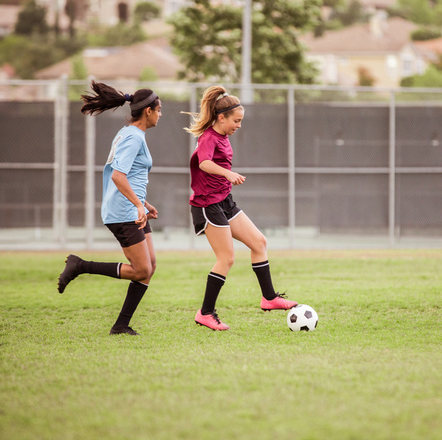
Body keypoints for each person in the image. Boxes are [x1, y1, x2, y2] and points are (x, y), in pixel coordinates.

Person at [183, 86, 297, 331]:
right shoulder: (208, 137)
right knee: (226, 258)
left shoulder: (223, 137)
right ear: (221, 117)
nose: (239, 125)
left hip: (224, 201)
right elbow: (204, 163)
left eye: (241, 121)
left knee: (259, 242)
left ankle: (269, 298)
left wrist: (226, 179)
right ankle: (205, 313)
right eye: (236, 121)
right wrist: (228, 173)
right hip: (207, 204)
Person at [57, 81, 162, 336]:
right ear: (148, 110)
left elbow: (129, 175)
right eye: (159, 109)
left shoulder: (130, 133)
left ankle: (121, 325)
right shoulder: (133, 137)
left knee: (150, 265)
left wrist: (144, 204)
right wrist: (138, 205)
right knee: (141, 269)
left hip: (133, 209)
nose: (161, 114)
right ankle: (80, 265)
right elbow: (118, 176)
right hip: (124, 212)